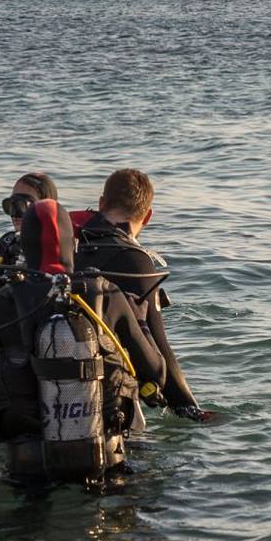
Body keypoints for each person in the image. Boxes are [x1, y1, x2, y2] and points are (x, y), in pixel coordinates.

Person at [0, 199, 162, 477]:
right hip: (103, 464)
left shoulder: (3, 303)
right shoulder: (106, 295)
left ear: (26, 247)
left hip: (29, 471)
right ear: (73, 243)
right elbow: (156, 372)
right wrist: (141, 322)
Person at [73, 169, 209, 420]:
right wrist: (191, 411)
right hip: (105, 394)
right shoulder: (135, 261)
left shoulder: (71, 246)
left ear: (101, 203)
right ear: (147, 216)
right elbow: (159, 346)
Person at [0, 172, 58, 302]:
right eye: (11, 205)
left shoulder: (60, 248)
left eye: (24, 205)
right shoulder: (5, 245)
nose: (15, 214)